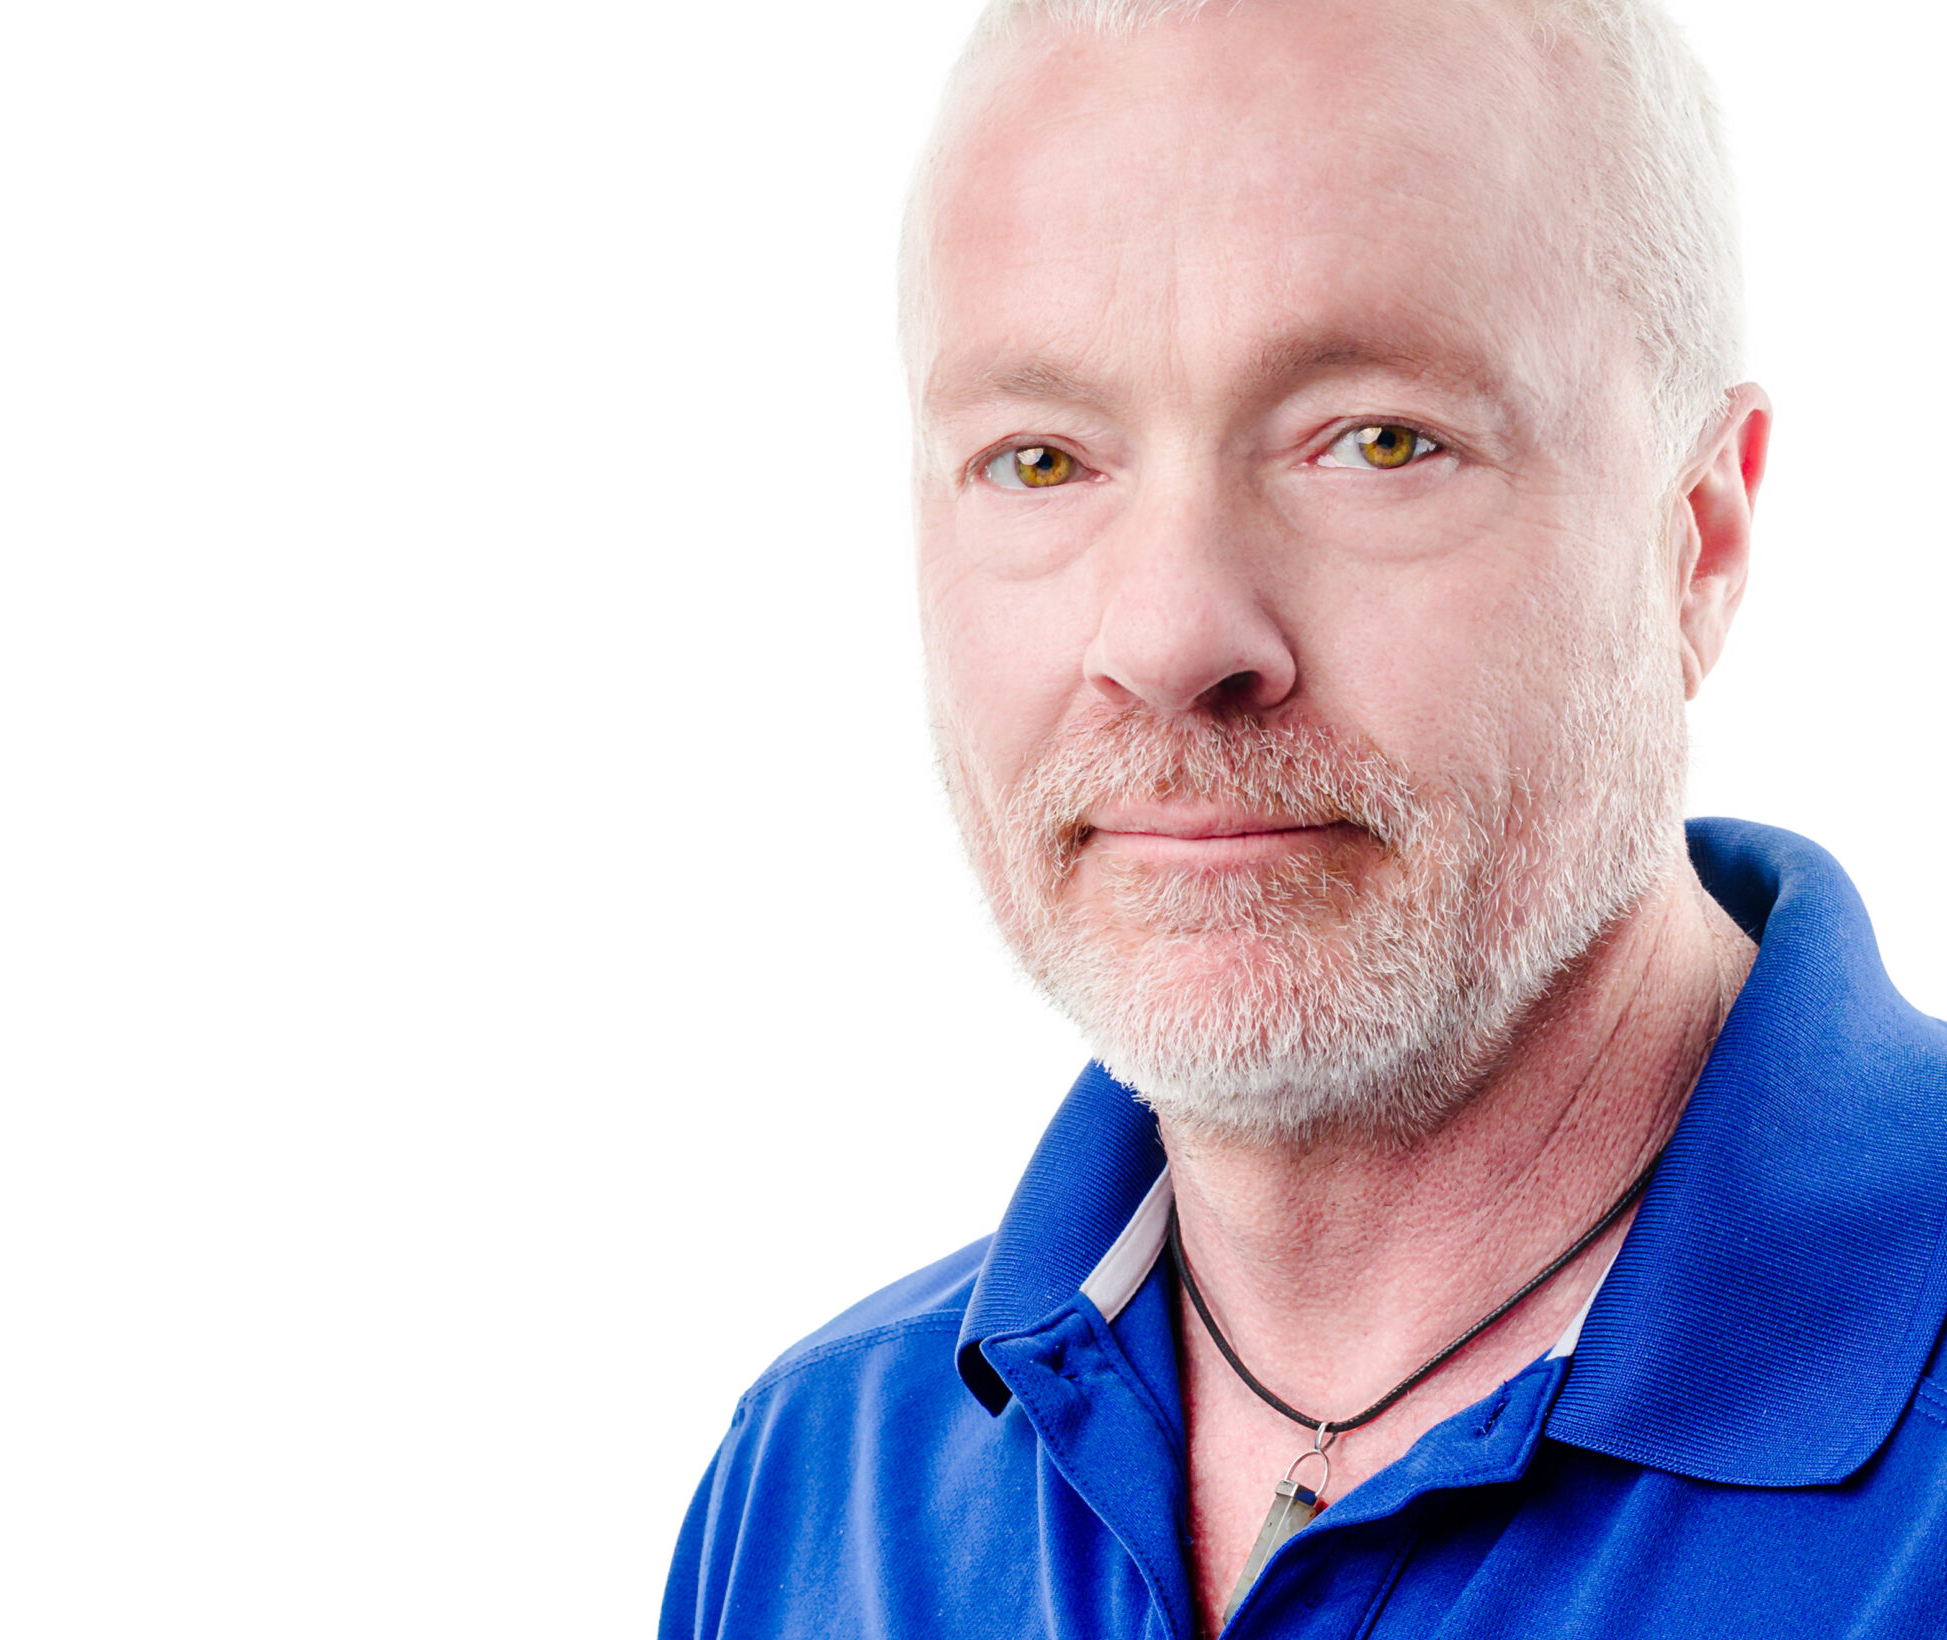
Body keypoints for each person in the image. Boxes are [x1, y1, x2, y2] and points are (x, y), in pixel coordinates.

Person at [660, 1, 1947, 1634]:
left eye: (1377, 442)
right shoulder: (813, 1486)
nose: (1169, 637)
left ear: (1697, 537)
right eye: (1041, 460)